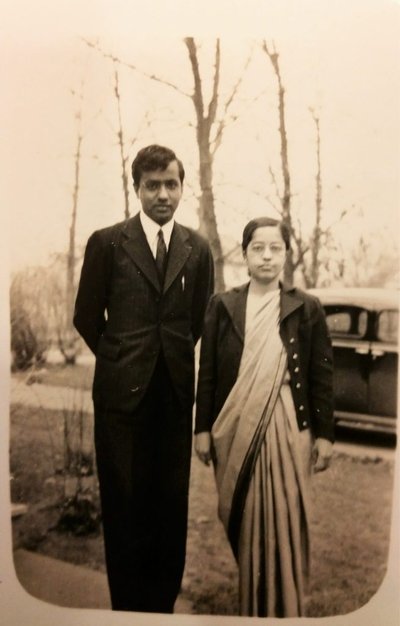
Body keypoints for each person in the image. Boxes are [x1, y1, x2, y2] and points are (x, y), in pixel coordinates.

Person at [73, 144, 214, 613]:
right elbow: (86, 317)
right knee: (125, 506)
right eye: (152, 185)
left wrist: (166, 359)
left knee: (169, 507)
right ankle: (127, 610)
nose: (162, 194)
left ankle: (161, 609)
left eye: (171, 184)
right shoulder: (107, 242)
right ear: (136, 189)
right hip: (120, 402)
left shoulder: (197, 249)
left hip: (173, 397)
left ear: (181, 187)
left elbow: (196, 320)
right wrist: (120, 361)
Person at [194, 217, 334, 617]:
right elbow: (209, 373)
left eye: (276, 248)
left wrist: (325, 435)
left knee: (287, 512)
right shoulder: (222, 305)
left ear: (286, 254)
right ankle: (253, 601)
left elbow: (322, 374)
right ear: (245, 254)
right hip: (235, 426)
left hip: (290, 425)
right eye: (258, 248)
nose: (267, 256)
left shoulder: (306, 307)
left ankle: (284, 606)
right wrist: (201, 428)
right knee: (245, 515)